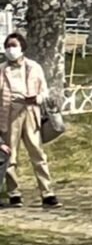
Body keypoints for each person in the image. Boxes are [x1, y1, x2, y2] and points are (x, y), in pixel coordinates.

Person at [0, 32, 60, 208]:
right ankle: (14, 193)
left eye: (14, 46)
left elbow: (44, 91)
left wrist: (37, 99)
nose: (11, 49)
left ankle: (47, 192)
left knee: (37, 153)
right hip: (9, 112)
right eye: (8, 46)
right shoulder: (2, 69)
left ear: (22, 48)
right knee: (10, 155)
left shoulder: (34, 67)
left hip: (31, 111)